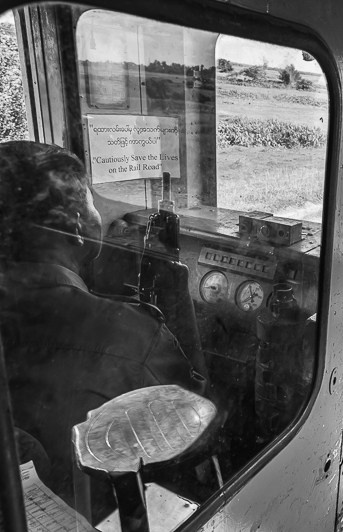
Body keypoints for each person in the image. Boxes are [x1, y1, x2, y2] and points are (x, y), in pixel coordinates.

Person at [0, 141, 206, 513]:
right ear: (77, 225)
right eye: (91, 202)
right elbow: (198, 429)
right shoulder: (130, 339)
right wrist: (176, 298)